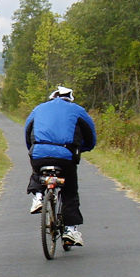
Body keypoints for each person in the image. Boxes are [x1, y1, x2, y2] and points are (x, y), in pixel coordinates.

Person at [24, 85, 97, 247]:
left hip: (39, 153)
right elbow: (91, 136)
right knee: (69, 191)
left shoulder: (38, 109)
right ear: (70, 98)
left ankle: (38, 196)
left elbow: (27, 131)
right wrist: (83, 148)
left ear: (52, 97)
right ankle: (70, 230)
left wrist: (34, 148)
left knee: (37, 172)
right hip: (66, 156)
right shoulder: (77, 110)